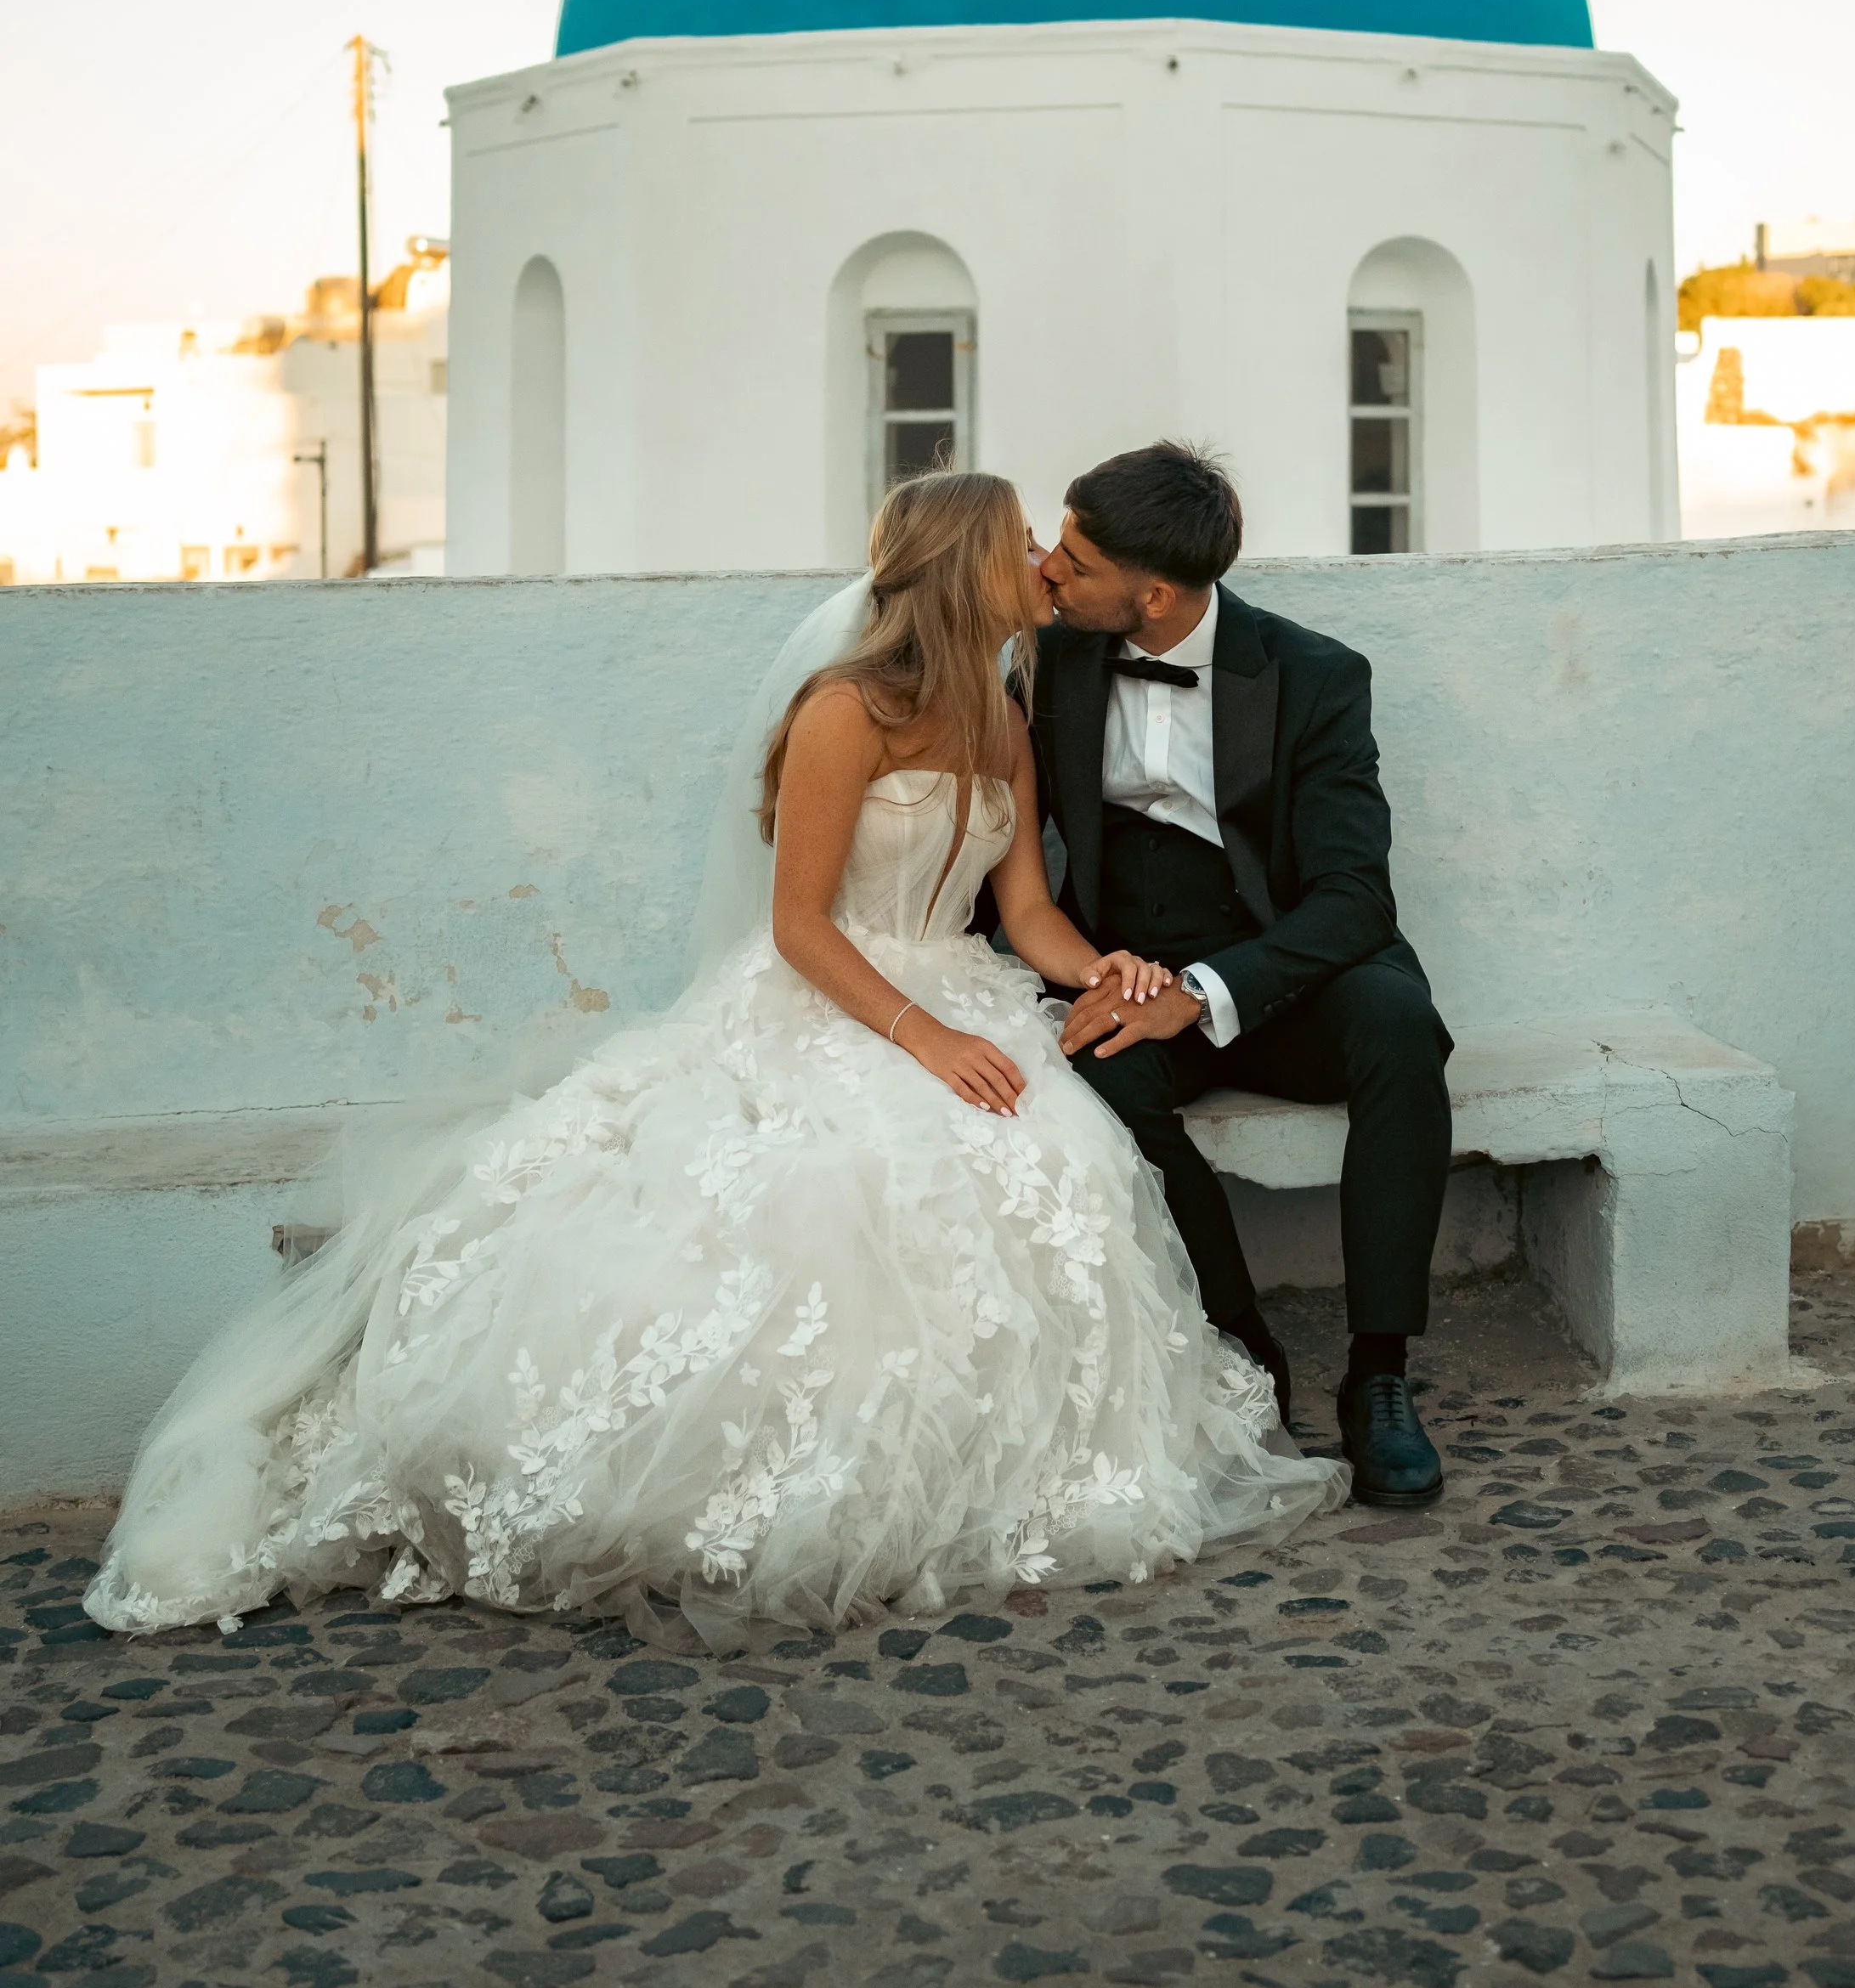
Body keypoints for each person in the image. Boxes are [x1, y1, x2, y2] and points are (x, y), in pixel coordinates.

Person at [85, 472, 1339, 1643]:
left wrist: (1102, 970)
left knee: (1048, 1158)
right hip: (839, 995)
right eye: (1018, 538)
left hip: (965, 991)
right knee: (829, 1188)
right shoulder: (842, 711)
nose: (1039, 561)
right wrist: (924, 1034)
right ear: (964, 566)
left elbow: (1025, 913)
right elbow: (798, 927)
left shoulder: (1004, 710)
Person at [1033, 443, 1454, 1509]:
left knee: (1402, 1029)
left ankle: (1380, 1374)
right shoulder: (1046, 661)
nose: (1048, 569)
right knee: (1102, 1076)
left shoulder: (1314, 675)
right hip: (1123, 970)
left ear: (1157, 591)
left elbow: (1356, 898)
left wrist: (1209, 988)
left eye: (1075, 560)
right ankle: (1243, 1357)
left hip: (1284, 973)